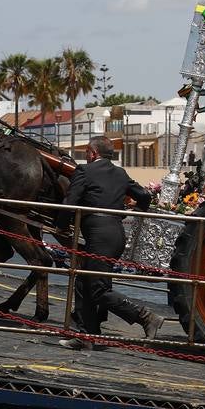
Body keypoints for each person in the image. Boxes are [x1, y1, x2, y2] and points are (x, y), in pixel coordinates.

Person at [62, 136, 162, 341]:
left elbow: (70, 200)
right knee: (83, 282)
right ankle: (87, 336)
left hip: (99, 235)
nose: (87, 157)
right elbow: (144, 195)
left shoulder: (84, 170)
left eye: (87, 153)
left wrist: (60, 225)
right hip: (116, 233)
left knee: (98, 289)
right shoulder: (120, 173)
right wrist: (137, 209)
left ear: (93, 153)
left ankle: (145, 316)